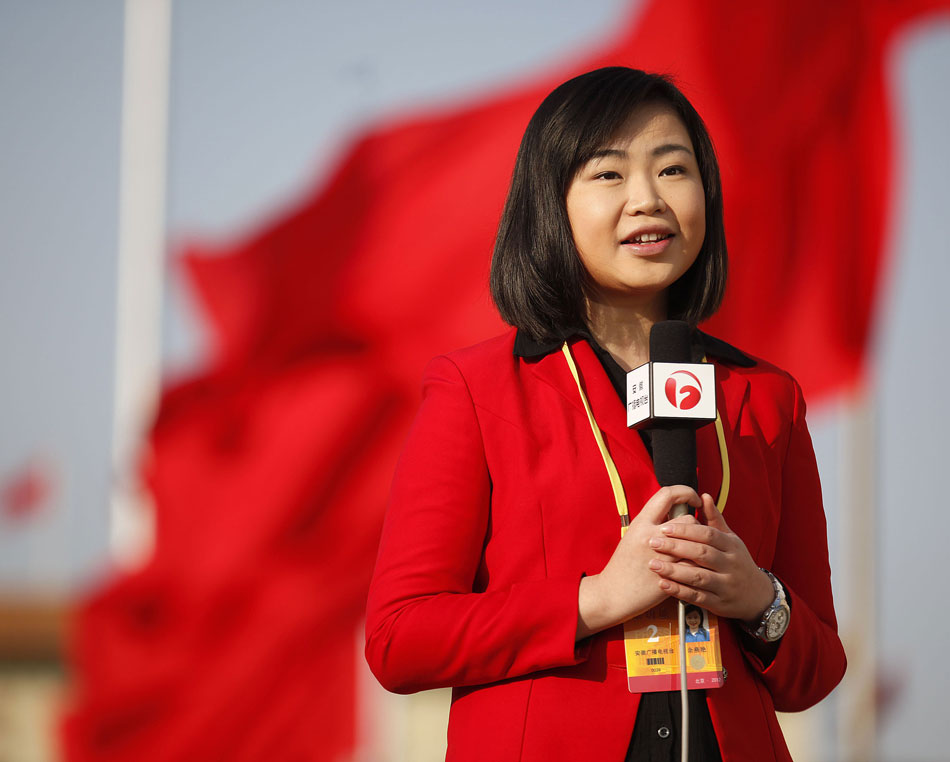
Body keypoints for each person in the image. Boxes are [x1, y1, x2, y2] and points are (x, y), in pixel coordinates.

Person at [365, 67, 845, 761]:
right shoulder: (477, 388)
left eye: (673, 169)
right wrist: (594, 600)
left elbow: (819, 669)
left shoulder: (766, 396)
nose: (648, 199)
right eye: (609, 175)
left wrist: (756, 598)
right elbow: (398, 639)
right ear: (550, 203)